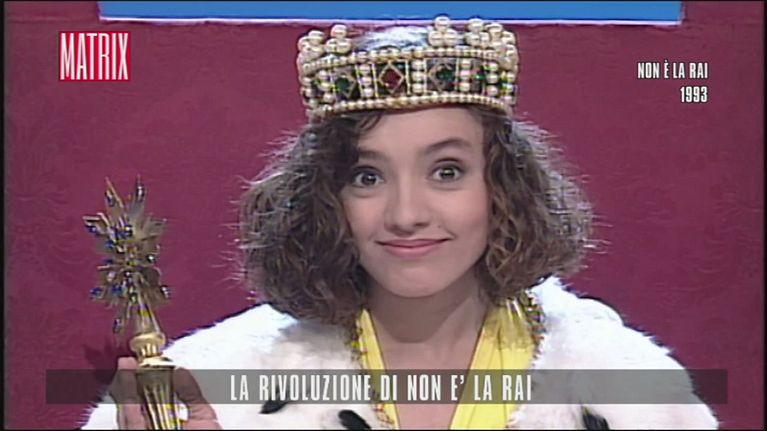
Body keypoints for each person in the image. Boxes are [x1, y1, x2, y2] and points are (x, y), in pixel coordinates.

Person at [82, 16, 718, 430]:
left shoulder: (630, 391)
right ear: (326, 197)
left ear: (502, 186)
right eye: (367, 176)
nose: (407, 214)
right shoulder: (216, 384)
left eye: (447, 171)